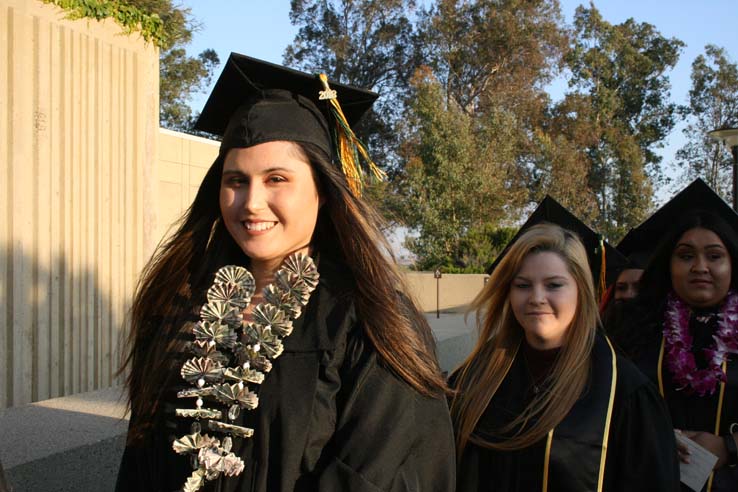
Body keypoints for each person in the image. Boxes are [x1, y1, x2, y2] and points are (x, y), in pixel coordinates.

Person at [115, 53, 455, 492]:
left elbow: (375, 472)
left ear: (324, 191)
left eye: (277, 179)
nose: (251, 202)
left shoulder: (369, 320)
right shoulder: (181, 305)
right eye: (236, 181)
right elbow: (143, 459)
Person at [451, 220, 679, 491]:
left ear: (581, 292)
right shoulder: (475, 378)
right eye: (522, 285)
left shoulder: (626, 394)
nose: (536, 297)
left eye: (554, 285)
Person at [622, 180, 738, 491]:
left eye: (714, 256)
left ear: (732, 264)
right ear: (668, 264)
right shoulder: (634, 328)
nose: (700, 266)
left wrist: (731, 445)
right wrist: (654, 437)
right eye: (686, 256)